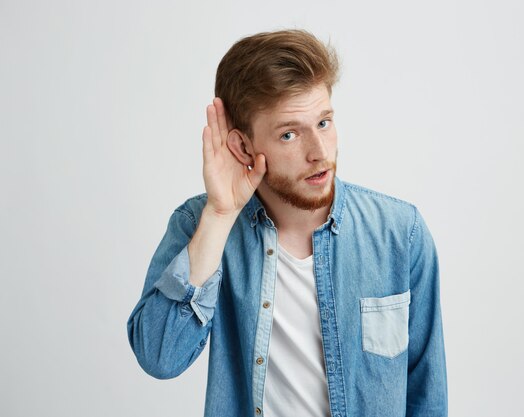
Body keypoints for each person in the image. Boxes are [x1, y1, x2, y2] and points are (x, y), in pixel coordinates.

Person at [127, 29, 447, 417]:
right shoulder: (201, 224)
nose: (319, 152)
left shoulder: (400, 233)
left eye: (324, 123)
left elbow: (426, 396)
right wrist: (220, 215)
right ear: (243, 146)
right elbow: (159, 357)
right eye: (289, 134)